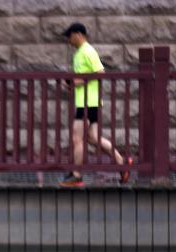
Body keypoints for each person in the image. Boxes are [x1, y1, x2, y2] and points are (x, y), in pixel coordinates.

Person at [59, 22, 132, 188]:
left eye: (69, 36)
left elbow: (100, 73)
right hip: (85, 102)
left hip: (88, 103)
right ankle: (122, 163)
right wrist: (72, 83)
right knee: (92, 138)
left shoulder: (88, 51)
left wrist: (79, 81)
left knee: (77, 138)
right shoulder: (78, 54)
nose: (68, 40)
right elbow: (81, 78)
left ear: (78, 34)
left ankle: (76, 176)